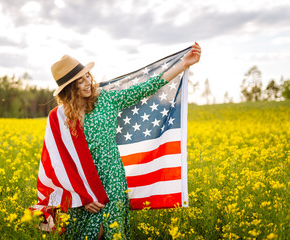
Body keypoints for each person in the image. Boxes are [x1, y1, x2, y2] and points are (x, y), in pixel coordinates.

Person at [49, 42, 201, 239]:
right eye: (80, 80)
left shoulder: (107, 99)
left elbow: (149, 86)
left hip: (112, 178)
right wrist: (83, 196)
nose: (88, 82)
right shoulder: (61, 118)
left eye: (88, 76)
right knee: (83, 234)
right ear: (69, 88)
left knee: (110, 230)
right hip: (83, 186)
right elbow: (62, 162)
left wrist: (184, 64)